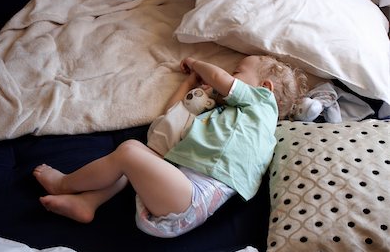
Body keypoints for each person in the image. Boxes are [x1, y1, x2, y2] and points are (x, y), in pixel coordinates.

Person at [33, 55, 308, 238]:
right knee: (143, 158)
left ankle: (66, 184)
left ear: (265, 87)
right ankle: (88, 202)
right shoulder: (228, 121)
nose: (227, 77)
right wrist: (190, 82)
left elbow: (218, 77)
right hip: (179, 194)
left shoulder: (262, 104)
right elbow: (174, 114)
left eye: (236, 72)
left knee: (129, 151)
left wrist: (197, 64)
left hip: (191, 200)